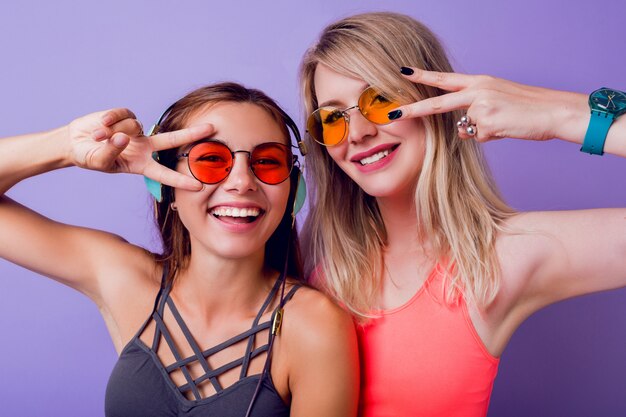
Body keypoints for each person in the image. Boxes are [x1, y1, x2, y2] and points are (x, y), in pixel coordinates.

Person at [298, 11, 626, 417]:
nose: (359, 132)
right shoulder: (313, 263)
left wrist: (561, 116)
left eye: (381, 99)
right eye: (332, 118)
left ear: (437, 103)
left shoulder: (498, 260)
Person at [0, 82, 359, 417]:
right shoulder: (124, 278)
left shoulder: (314, 327)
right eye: (211, 159)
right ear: (165, 187)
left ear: (292, 192)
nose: (242, 182)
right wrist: (67, 146)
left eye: (267, 162)